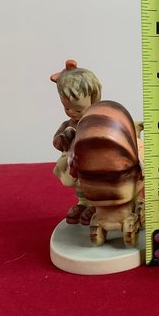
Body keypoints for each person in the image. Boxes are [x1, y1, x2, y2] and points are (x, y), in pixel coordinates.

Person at [50, 60, 102, 224]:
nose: (71, 112)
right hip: (73, 162)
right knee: (79, 185)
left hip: (93, 163)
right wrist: (63, 139)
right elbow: (56, 142)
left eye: (78, 109)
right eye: (67, 108)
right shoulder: (68, 124)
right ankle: (83, 203)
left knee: (94, 185)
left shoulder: (98, 121)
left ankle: (96, 206)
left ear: (93, 99)